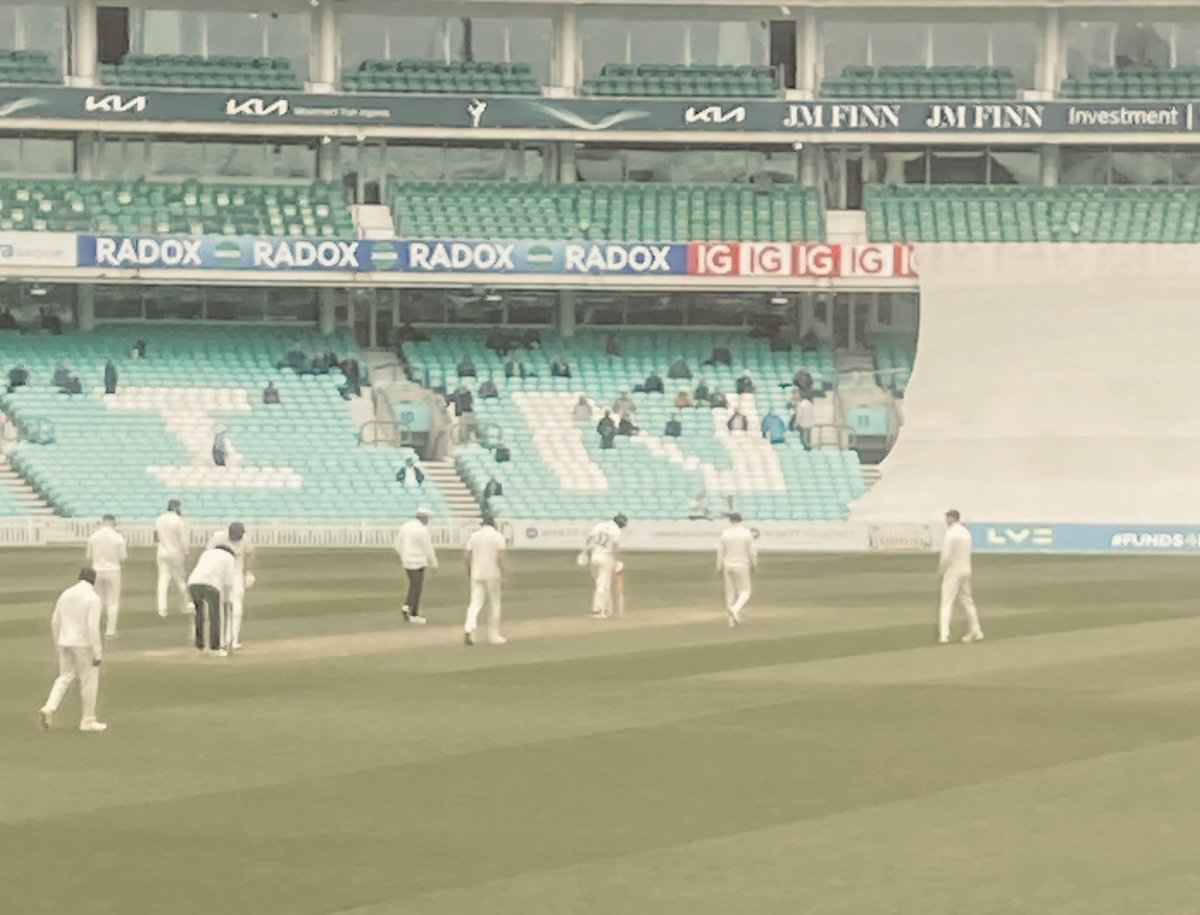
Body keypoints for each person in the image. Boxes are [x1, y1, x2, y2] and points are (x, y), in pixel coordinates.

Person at [38, 568, 106, 732]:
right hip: (83, 645)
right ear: (93, 581)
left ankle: (49, 708)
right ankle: (88, 720)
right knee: (88, 680)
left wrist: (57, 642)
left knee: (64, 677)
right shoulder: (93, 598)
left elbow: (55, 619)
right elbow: (92, 627)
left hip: (64, 641)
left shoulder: (66, 593)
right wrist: (98, 652)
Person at [938, 509, 984, 645]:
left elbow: (946, 556)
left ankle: (944, 635)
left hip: (953, 571)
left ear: (952, 518)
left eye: (948, 518)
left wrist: (941, 571)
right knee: (967, 602)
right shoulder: (966, 532)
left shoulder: (951, 533)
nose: (946, 521)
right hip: (965, 569)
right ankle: (976, 631)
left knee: (946, 602)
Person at [206, 522, 254, 651]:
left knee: (236, 605)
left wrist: (248, 573)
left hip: (236, 574)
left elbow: (249, 554)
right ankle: (219, 639)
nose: (237, 538)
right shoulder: (218, 537)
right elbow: (208, 555)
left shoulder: (245, 539)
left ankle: (233, 640)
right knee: (220, 605)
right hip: (220, 575)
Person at [462, 515, 508, 646]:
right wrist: (504, 575)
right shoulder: (498, 536)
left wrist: (469, 571)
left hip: (477, 574)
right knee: (495, 604)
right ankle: (494, 636)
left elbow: (467, 556)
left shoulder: (474, 536)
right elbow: (501, 557)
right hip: (493, 574)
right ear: (493, 524)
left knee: (475, 603)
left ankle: (468, 629)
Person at [187, 544, 237, 656]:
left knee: (199, 614)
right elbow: (228, 582)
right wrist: (228, 599)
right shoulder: (229, 557)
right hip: (211, 585)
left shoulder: (207, 553)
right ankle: (216, 647)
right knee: (216, 616)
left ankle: (200, 645)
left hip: (193, 583)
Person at [86, 515, 127, 639]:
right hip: (113, 570)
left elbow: (89, 556)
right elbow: (123, 557)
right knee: (113, 602)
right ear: (113, 522)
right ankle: (110, 631)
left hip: (96, 570)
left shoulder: (93, 537)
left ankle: (94, 629)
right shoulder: (118, 537)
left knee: (97, 600)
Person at [395, 507, 438, 624]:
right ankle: (411, 611)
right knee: (416, 588)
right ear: (423, 518)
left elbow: (397, 544)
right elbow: (428, 548)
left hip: (407, 562)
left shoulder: (406, 526)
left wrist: (404, 556)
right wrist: (434, 563)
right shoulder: (422, 530)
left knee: (413, 586)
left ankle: (409, 609)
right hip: (418, 562)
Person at [717, 513, 757, 627]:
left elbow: (720, 551)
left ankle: (731, 622)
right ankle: (735, 610)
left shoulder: (725, 533)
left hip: (728, 565)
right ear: (741, 521)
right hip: (742, 565)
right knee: (745, 592)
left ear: (731, 521)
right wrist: (755, 564)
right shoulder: (746, 533)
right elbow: (752, 552)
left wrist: (719, 566)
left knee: (730, 594)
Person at [584, 512, 626, 618]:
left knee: (599, 583)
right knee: (603, 585)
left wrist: (585, 553)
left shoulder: (599, 525)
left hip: (594, 556)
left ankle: (607, 608)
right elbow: (614, 547)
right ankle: (598, 610)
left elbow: (589, 539)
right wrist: (616, 561)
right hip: (606, 557)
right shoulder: (616, 530)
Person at [154, 499, 190, 617]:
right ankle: (184, 606)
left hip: (162, 551)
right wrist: (186, 552)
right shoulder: (179, 521)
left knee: (163, 580)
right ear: (176, 507)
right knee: (180, 580)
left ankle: (162, 609)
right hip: (176, 552)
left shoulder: (160, 519)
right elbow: (183, 540)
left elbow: (156, 537)